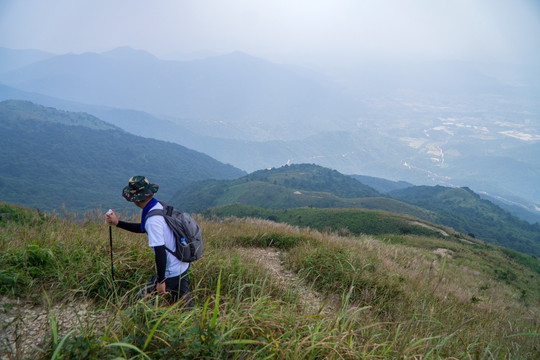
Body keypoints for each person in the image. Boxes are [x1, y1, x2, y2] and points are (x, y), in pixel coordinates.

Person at [105, 175, 193, 306]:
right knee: (184, 304)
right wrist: (118, 223)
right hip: (181, 263)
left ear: (136, 199)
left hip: (172, 269)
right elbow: (142, 228)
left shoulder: (153, 220)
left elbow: (160, 252)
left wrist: (161, 281)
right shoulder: (157, 206)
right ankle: (199, 323)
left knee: (141, 301)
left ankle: (146, 323)